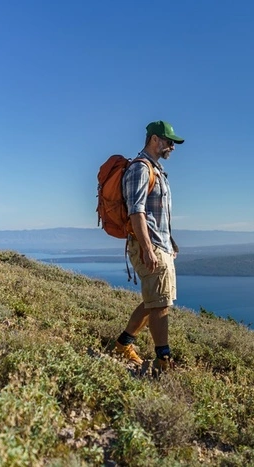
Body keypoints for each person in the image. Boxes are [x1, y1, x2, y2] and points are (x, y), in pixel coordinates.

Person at [113, 120, 184, 373]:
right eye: (169, 142)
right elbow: (136, 211)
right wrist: (147, 248)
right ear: (155, 139)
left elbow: (157, 216)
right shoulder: (140, 169)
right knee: (160, 304)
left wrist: (169, 243)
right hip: (150, 245)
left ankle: (123, 344)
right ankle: (163, 360)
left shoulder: (156, 170)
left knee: (154, 301)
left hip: (159, 245)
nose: (172, 147)